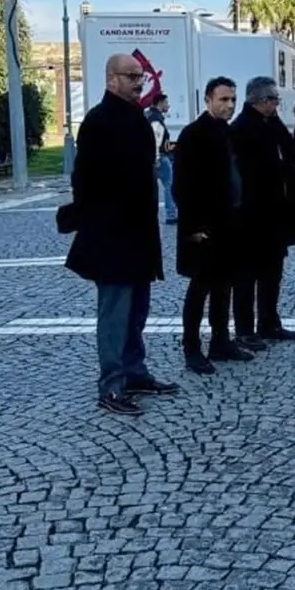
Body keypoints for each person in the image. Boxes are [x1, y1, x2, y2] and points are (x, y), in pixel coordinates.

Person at [65, 53, 179, 415]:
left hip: (140, 233)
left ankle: (134, 371)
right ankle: (111, 385)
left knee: (138, 311)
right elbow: (84, 181)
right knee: (115, 314)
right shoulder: (98, 122)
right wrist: (97, 219)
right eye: (131, 76)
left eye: (140, 77)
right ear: (111, 78)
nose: (138, 82)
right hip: (112, 234)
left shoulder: (138, 119)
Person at [172, 76, 251, 375]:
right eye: (223, 99)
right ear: (208, 100)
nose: (229, 105)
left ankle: (220, 341)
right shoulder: (194, 134)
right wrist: (193, 226)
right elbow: (182, 185)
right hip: (203, 227)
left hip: (229, 222)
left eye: (232, 99)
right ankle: (192, 348)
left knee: (224, 285)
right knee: (199, 288)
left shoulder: (227, 132)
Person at [230, 76, 295, 349]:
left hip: (272, 211)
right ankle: (245, 330)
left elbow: (288, 146)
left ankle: (269, 322)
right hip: (249, 214)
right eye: (274, 100)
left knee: (273, 271)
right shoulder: (243, 128)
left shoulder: (268, 123)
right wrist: (291, 168)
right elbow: (261, 168)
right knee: (247, 274)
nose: (277, 104)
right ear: (262, 101)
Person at [146, 93, 177, 225]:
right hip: (160, 158)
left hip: (154, 157)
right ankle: (171, 214)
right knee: (169, 185)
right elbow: (155, 140)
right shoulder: (156, 119)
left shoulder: (150, 116)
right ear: (160, 102)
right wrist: (156, 158)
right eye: (166, 103)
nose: (168, 106)